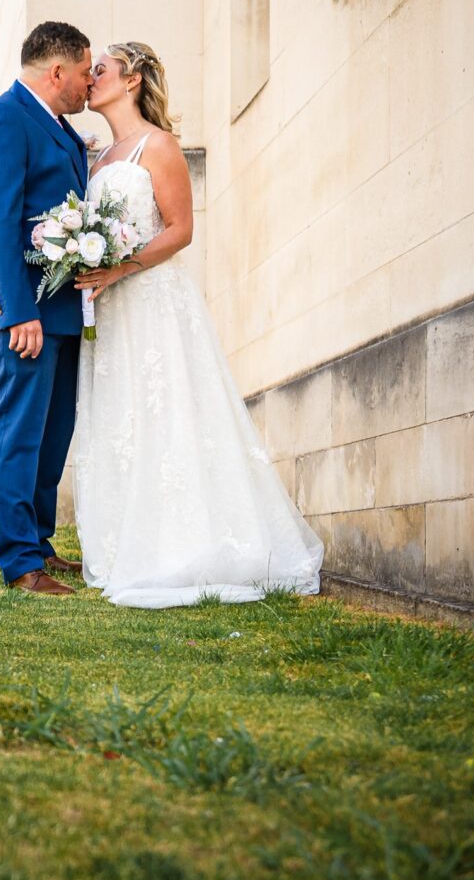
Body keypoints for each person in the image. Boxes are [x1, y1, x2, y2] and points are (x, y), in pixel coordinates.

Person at [72, 41, 323, 607]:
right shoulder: (97, 159)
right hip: (110, 311)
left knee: (170, 411)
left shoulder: (157, 147)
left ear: (131, 79)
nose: (91, 79)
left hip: (151, 301)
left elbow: (181, 229)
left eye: (102, 71)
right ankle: (126, 545)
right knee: (123, 415)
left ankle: (190, 544)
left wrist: (117, 269)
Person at [0, 22, 95, 596]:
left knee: (53, 432)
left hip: (61, 309)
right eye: (86, 72)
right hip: (18, 313)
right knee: (17, 432)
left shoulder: (63, 130)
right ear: (56, 72)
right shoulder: (0, 121)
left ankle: (38, 541)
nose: (92, 83)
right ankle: (20, 564)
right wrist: (18, 310)